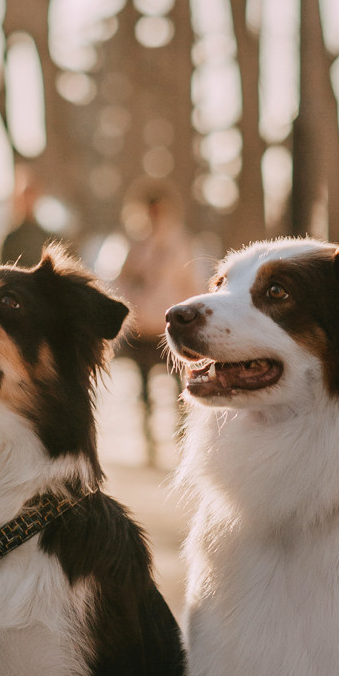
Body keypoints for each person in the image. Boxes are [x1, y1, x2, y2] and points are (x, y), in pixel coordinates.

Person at [114, 182, 199, 466]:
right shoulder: (134, 243)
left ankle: (181, 438)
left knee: (179, 386)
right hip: (144, 326)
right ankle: (148, 438)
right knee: (144, 386)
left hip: (172, 327)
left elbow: (191, 283)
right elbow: (122, 281)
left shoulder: (179, 244)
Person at [0, 167, 51, 268]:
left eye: (32, 194)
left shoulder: (45, 237)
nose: (28, 200)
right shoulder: (11, 239)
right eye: (26, 194)